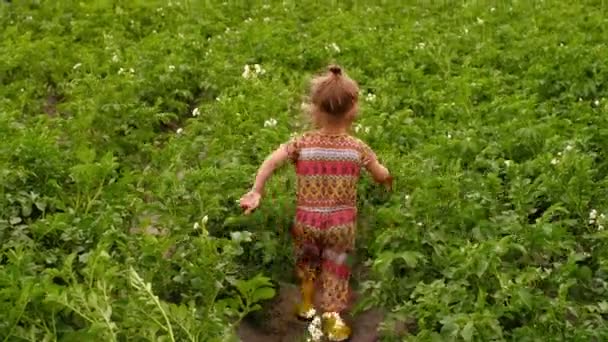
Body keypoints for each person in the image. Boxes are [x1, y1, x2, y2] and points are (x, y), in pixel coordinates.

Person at [239, 65, 392, 341]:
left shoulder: (303, 142)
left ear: (315, 109)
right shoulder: (358, 148)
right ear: (353, 110)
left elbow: (271, 162)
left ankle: (307, 303)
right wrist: (386, 178)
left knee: (307, 261)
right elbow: (381, 173)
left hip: (306, 221)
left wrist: (256, 191)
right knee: (335, 267)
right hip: (340, 225)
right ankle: (332, 318)